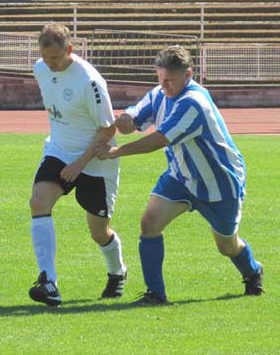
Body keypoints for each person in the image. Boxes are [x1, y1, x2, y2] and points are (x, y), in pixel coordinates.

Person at [95, 45, 263, 304]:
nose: (164, 85)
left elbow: (158, 140)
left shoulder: (193, 103)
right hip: (180, 176)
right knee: (149, 224)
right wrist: (127, 118)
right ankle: (155, 294)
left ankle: (253, 271)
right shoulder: (159, 93)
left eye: (170, 80)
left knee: (226, 246)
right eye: (160, 79)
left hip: (218, 183)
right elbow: (138, 116)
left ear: (188, 75)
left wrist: (116, 151)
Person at [28, 23, 127, 307]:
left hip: (95, 161)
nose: (51, 65)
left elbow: (108, 129)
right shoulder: (40, 69)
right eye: (46, 59)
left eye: (57, 58)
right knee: (38, 202)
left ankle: (117, 272)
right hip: (58, 150)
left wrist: (80, 163)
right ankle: (48, 281)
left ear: (70, 50)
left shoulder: (90, 82)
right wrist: (68, 161)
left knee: (99, 232)